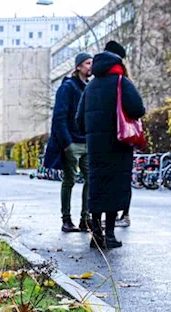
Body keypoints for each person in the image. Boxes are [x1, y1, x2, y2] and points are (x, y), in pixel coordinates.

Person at [77, 50, 145, 249]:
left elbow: (79, 120)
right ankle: (110, 235)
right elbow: (138, 109)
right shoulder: (121, 82)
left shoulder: (90, 87)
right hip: (118, 145)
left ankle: (96, 235)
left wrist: (91, 132)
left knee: (97, 188)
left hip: (96, 147)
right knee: (114, 189)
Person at [42, 53, 93, 233]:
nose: (91, 66)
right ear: (78, 66)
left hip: (87, 141)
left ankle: (85, 219)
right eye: (87, 63)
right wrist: (67, 143)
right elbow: (59, 117)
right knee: (69, 180)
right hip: (72, 142)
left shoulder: (89, 87)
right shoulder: (68, 87)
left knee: (91, 179)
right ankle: (66, 219)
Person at [103, 40, 133, 227]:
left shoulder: (99, 81)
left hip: (106, 137)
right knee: (123, 176)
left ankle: (114, 217)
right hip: (124, 136)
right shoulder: (125, 81)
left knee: (107, 178)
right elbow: (137, 108)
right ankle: (123, 214)